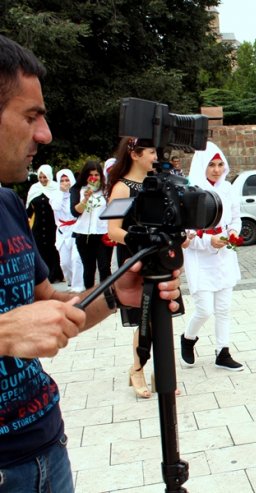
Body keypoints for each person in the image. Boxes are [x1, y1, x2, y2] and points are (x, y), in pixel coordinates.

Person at [0, 33, 181, 493]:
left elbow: (51, 305)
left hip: (44, 446)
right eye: (31, 116)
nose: (45, 134)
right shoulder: (116, 191)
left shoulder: (6, 205)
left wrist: (115, 297)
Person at [106, 136, 167, 398]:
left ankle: (163, 372)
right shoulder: (121, 188)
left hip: (159, 257)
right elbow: (112, 231)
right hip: (135, 259)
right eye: (151, 152)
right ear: (135, 154)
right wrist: (138, 238)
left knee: (161, 316)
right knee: (147, 318)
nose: (155, 157)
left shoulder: (157, 184)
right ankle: (138, 368)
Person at [180, 141, 244, 371]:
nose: (216, 170)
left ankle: (222, 350)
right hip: (200, 257)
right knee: (204, 309)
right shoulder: (191, 191)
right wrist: (208, 240)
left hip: (223, 254)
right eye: (211, 165)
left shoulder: (228, 189)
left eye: (219, 164)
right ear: (201, 166)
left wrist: (233, 233)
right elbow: (186, 234)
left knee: (224, 307)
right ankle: (188, 338)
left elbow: (235, 218)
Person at [70, 160, 114, 289]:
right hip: (84, 235)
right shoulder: (78, 189)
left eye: (97, 175)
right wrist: (85, 199)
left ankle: (107, 296)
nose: (94, 178)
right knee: (89, 268)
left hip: (102, 234)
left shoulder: (106, 190)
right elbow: (74, 212)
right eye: (91, 175)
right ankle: (89, 297)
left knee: (104, 266)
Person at [25, 163, 64, 282]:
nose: (42, 180)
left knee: (53, 249)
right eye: (40, 177)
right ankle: (45, 276)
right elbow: (29, 209)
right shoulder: (34, 189)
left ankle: (55, 273)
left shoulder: (56, 188)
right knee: (40, 250)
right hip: (38, 226)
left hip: (52, 225)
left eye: (45, 177)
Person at [50, 168, 85, 292]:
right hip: (62, 231)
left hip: (76, 229)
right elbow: (56, 206)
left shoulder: (77, 193)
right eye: (62, 180)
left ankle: (78, 287)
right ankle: (70, 283)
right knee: (64, 263)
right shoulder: (55, 195)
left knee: (76, 259)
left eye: (67, 180)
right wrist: (61, 192)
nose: (65, 182)